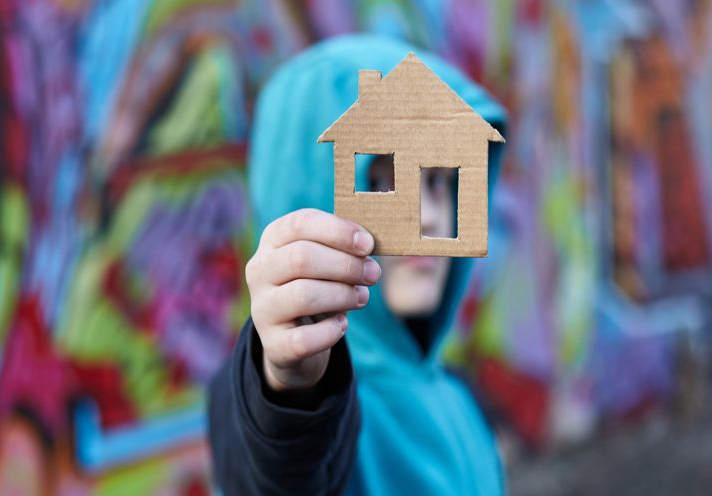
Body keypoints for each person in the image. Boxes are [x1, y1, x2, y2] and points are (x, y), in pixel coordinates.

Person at [207, 34, 507, 494]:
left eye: (443, 179)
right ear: (311, 189)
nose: (429, 215)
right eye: (385, 178)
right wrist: (289, 382)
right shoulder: (258, 404)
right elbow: (283, 464)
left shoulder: (455, 394)